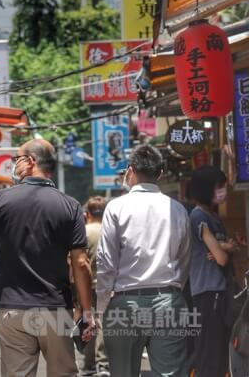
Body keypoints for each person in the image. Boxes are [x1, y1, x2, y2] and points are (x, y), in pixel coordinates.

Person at [0, 138, 94, 377]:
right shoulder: (70, 206)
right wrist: (86, 312)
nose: (14, 165)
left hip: (11, 308)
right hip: (55, 310)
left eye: (16, 159)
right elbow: (80, 263)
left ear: (30, 161)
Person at [96, 145, 191, 377]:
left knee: (123, 372)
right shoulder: (178, 209)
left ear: (130, 170)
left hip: (125, 304)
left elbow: (106, 262)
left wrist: (101, 307)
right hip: (168, 300)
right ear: (160, 174)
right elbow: (185, 258)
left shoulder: (116, 207)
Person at [187, 166, 235, 377]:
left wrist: (225, 247)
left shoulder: (212, 216)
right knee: (209, 351)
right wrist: (225, 248)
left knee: (220, 350)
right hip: (208, 293)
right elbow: (222, 258)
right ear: (205, 188)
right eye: (218, 186)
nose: (222, 191)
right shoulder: (199, 217)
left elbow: (222, 251)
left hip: (218, 291)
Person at [79, 196, 108, 377]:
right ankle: (103, 365)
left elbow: (76, 262)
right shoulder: (110, 231)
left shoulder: (83, 232)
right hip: (106, 285)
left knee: (87, 321)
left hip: (86, 285)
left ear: (87, 213)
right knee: (104, 323)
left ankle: (88, 364)